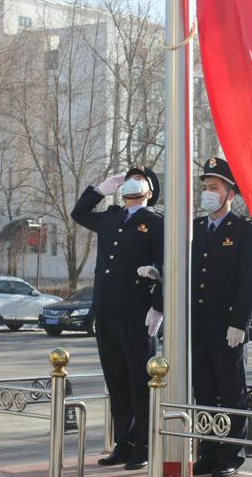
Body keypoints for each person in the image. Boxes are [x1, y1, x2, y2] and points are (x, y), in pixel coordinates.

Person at [71, 167, 164, 470]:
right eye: (126, 181)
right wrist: (99, 189)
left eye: (140, 181)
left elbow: (166, 267)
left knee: (140, 384)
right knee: (117, 385)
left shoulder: (154, 223)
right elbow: (79, 213)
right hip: (106, 312)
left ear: (150, 191)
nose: (131, 184)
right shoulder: (110, 217)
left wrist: (158, 306)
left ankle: (144, 446)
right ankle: (123, 444)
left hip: (137, 315)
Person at [192, 157, 252, 477]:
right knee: (204, 391)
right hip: (199, 328)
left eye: (214, 188)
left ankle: (231, 454)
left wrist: (240, 324)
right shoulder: (194, 228)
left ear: (229, 194)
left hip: (227, 328)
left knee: (231, 391)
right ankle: (208, 451)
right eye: (205, 188)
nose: (207, 193)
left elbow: (250, 281)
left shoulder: (244, 230)